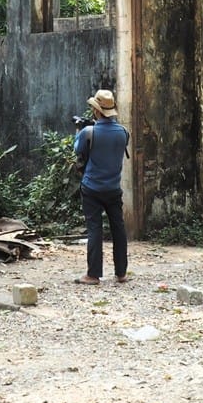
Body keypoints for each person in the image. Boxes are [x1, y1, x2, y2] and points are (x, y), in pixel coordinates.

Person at [73, 88, 129, 285]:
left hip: (92, 189)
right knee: (118, 229)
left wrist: (79, 130)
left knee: (94, 229)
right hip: (114, 188)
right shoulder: (123, 132)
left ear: (97, 111)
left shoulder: (89, 132)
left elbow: (77, 150)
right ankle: (121, 272)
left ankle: (93, 275)